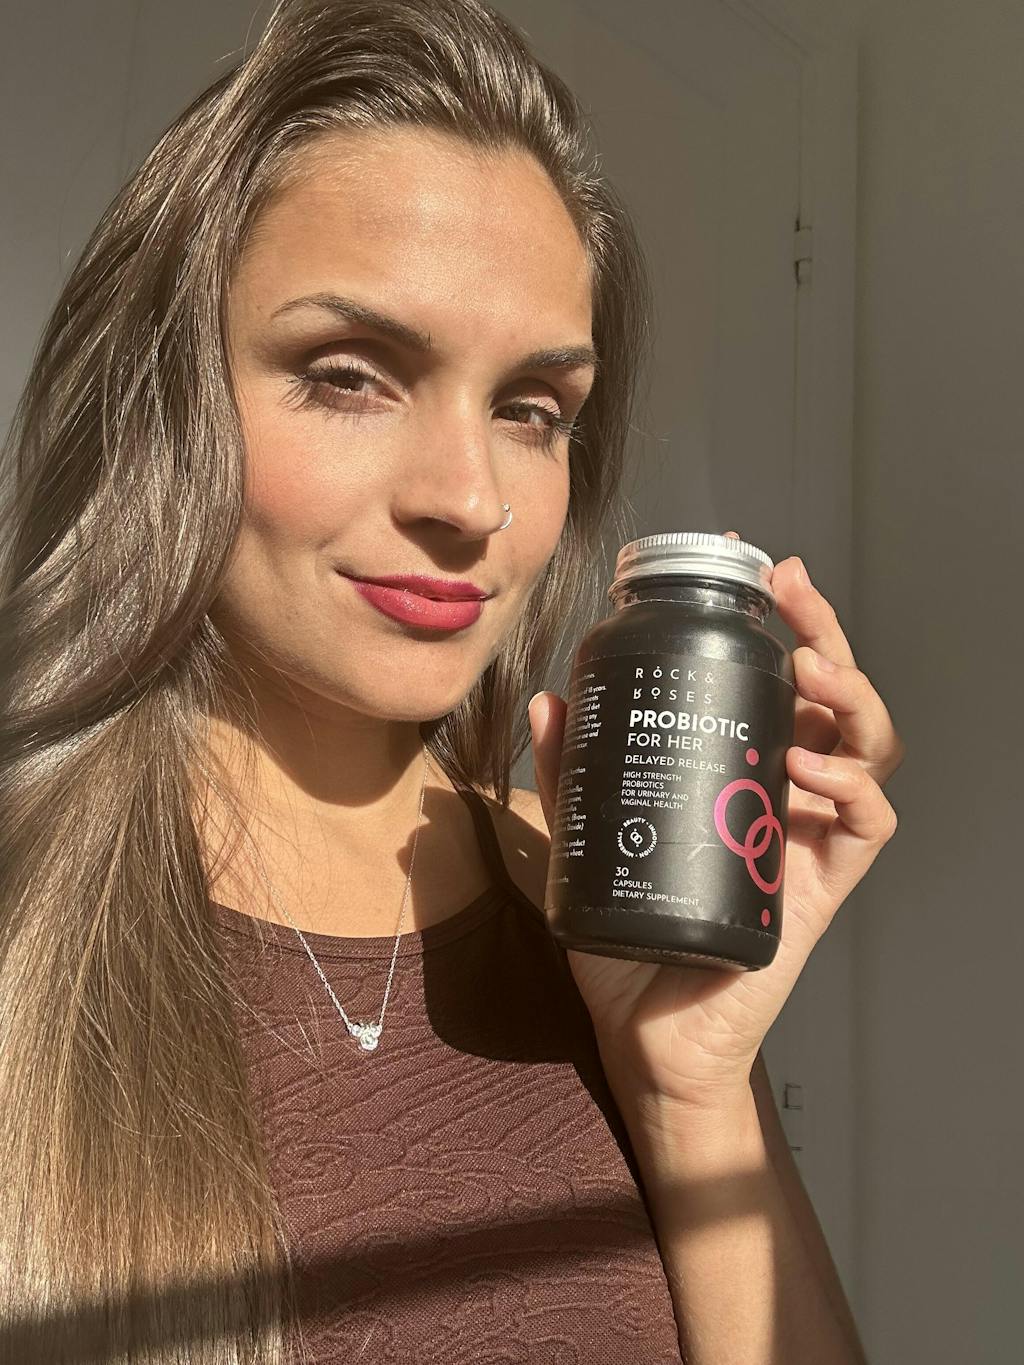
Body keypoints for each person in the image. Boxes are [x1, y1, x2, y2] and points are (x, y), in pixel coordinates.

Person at [0, 0, 903, 1361]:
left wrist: (694, 1088)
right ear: (162, 400)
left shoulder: (586, 901)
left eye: (531, 409)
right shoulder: (30, 906)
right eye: (350, 376)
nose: (472, 500)